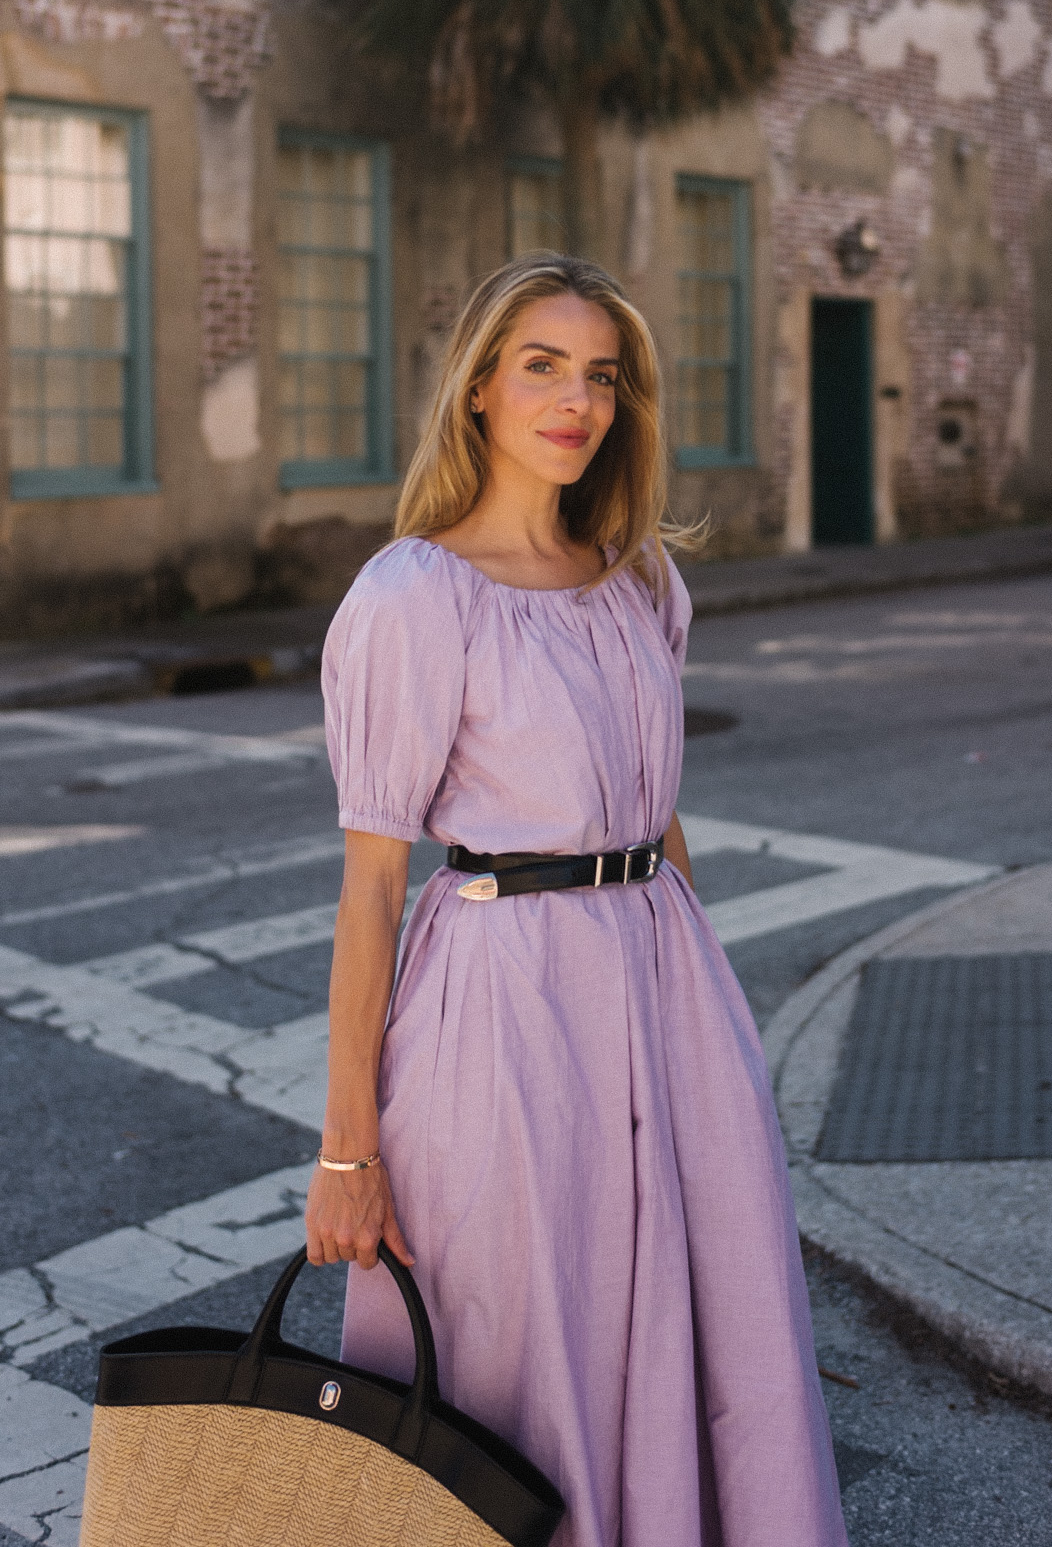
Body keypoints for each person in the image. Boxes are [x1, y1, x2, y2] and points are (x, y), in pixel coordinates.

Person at [306, 253, 847, 1547]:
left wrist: (706, 1017)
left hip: (666, 995)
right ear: (481, 390)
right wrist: (346, 1151)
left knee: (703, 1330)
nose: (576, 399)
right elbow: (373, 892)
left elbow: (658, 818)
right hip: (500, 1011)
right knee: (517, 1348)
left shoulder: (641, 579)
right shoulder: (413, 597)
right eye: (541, 366)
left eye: (601, 374)